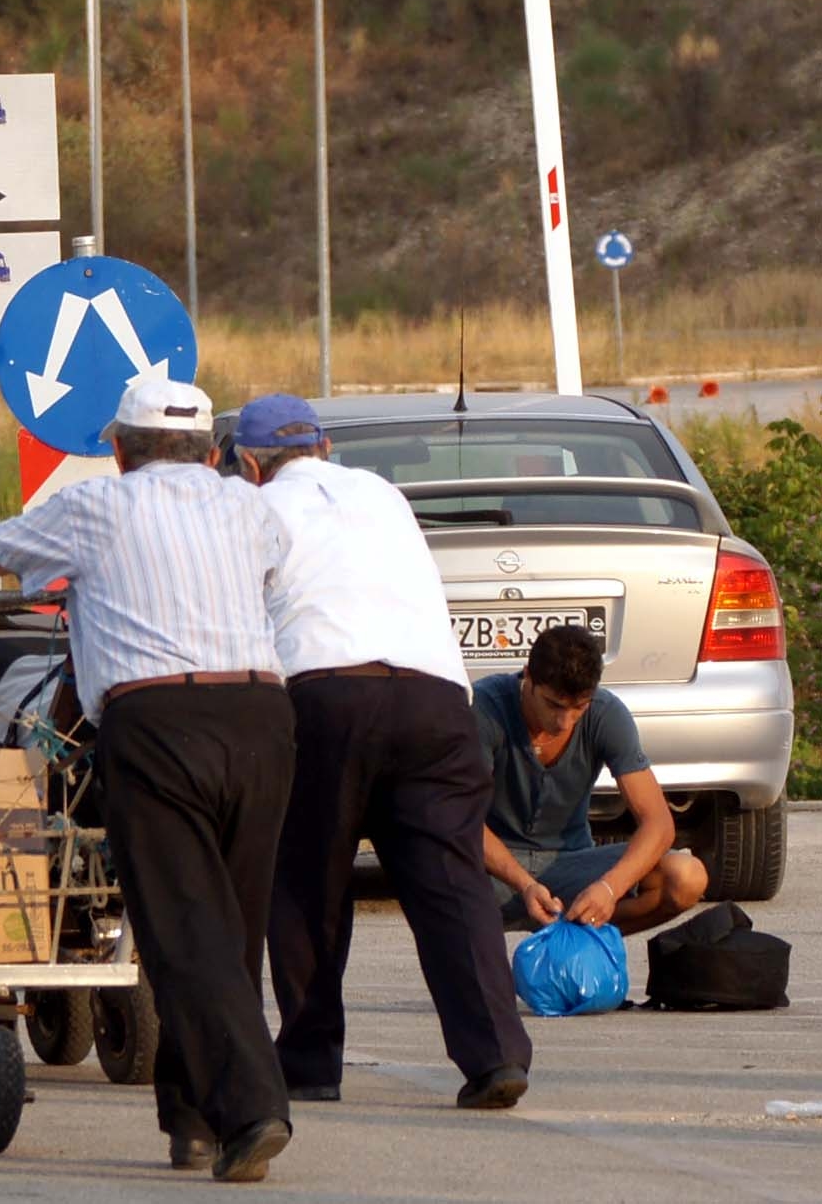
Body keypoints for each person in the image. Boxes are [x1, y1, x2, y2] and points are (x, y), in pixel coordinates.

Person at [0, 377, 297, 1184]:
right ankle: (191, 1119)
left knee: (184, 927)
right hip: (263, 716)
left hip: (159, 725)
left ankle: (254, 1109)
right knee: (232, 924)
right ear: (212, 451)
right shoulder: (251, 509)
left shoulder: (93, 508)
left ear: (118, 448)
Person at [228, 395, 531, 1113]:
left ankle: (307, 1061)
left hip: (325, 692)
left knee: (307, 880)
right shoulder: (382, 493)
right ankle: (493, 1055)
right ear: (325, 446)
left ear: (247, 463)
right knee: (450, 882)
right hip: (434, 699)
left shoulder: (254, 511)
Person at [476, 624, 710, 934]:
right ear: (527, 676)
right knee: (430, 868)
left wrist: (610, 888)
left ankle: (576, 939)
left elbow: (659, 823)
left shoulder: (607, 714)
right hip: (491, 870)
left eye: (578, 708)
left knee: (686, 876)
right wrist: (524, 884)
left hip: (570, 865)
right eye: (554, 704)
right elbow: (461, 820)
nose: (564, 722)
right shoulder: (483, 708)